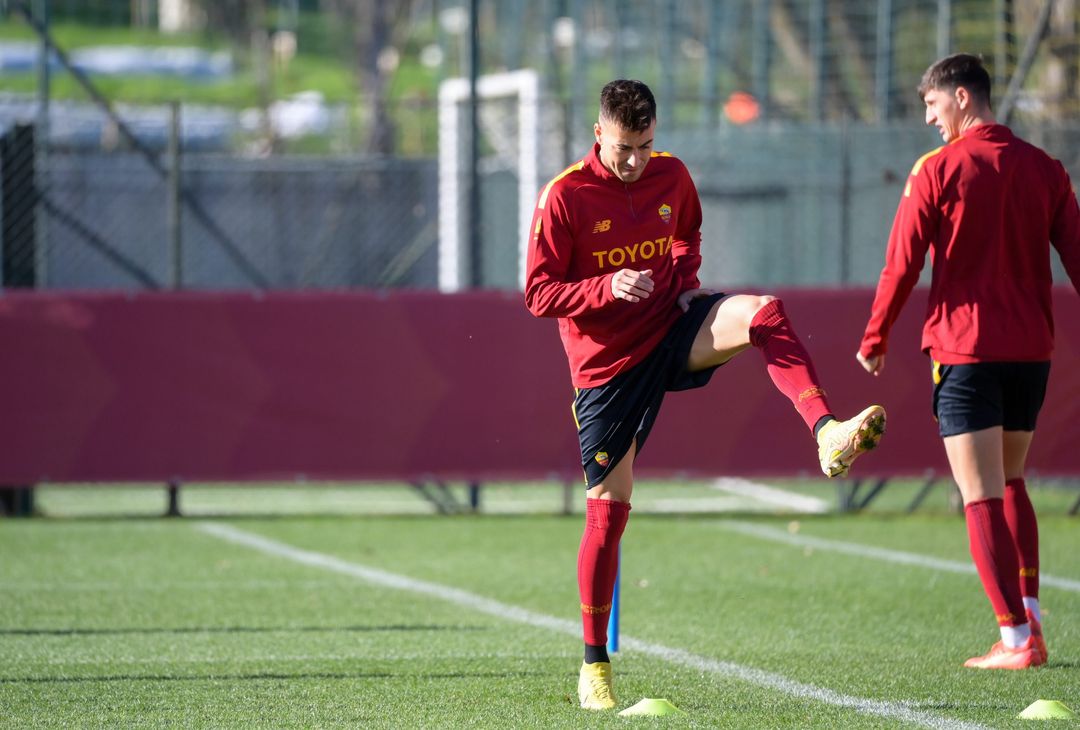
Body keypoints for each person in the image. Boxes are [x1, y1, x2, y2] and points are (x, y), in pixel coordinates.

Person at [524, 79, 886, 711]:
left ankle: (827, 433)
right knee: (608, 516)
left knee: (764, 312)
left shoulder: (672, 176)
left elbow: (686, 229)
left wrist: (687, 281)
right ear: (598, 134)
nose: (634, 159)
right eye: (622, 147)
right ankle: (594, 667)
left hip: (671, 325)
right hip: (607, 367)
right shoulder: (565, 195)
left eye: (645, 145)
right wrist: (606, 289)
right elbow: (538, 292)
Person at [857, 53, 1080, 670]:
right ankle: (1029, 613)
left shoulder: (939, 169)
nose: (930, 120)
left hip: (967, 349)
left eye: (931, 105)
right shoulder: (1046, 169)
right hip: (1031, 352)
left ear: (960, 97)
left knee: (978, 493)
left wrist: (875, 335)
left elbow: (902, 263)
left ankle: (1014, 640)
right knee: (1012, 482)